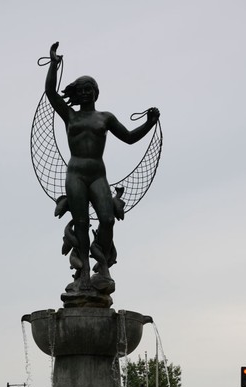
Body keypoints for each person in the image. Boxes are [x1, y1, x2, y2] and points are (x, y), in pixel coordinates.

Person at [45, 42, 159, 295]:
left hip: (97, 174)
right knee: (81, 223)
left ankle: (102, 264)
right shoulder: (70, 116)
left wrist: (150, 123)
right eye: (82, 89)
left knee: (107, 219)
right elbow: (51, 93)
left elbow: (129, 137)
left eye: (90, 89)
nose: (85, 93)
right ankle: (84, 272)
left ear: (96, 93)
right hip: (75, 173)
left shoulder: (105, 117)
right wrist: (53, 64)